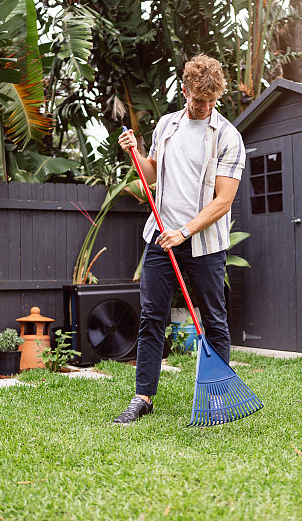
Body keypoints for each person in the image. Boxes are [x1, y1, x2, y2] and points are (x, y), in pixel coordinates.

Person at [113, 54, 246, 425]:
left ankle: (218, 397)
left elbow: (224, 200)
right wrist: (135, 152)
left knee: (214, 320)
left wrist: (185, 231)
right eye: (198, 100)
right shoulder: (167, 126)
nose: (205, 107)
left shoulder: (228, 137)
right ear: (184, 90)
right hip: (160, 237)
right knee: (152, 317)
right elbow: (152, 174)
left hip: (202, 242)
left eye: (211, 101)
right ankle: (143, 398)